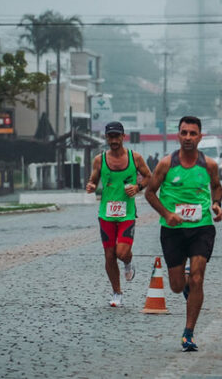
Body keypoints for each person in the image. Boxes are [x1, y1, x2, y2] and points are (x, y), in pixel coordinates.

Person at [145, 116, 222, 352]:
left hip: (202, 227)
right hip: (172, 231)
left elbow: (217, 186)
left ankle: (188, 333)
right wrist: (167, 214)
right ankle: (187, 284)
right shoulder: (166, 164)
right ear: (178, 135)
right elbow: (149, 193)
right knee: (177, 286)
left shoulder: (209, 164)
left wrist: (217, 204)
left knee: (198, 276)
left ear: (200, 136)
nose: (188, 137)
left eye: (192, 133)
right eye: (184, 133)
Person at [86, 121, 152, 307]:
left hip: (127, 213)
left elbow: (149, 176)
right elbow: (93, 180)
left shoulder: (135, 158)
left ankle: (128, 263)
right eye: (110, 137)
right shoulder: (99, 160)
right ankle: (117, 293)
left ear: (123, 137)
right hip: (106, 214)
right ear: (106, 138)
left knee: (121, 252)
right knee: (109, 255)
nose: (114, 140)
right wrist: (91, 186)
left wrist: (137, 187)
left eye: (117, 136)